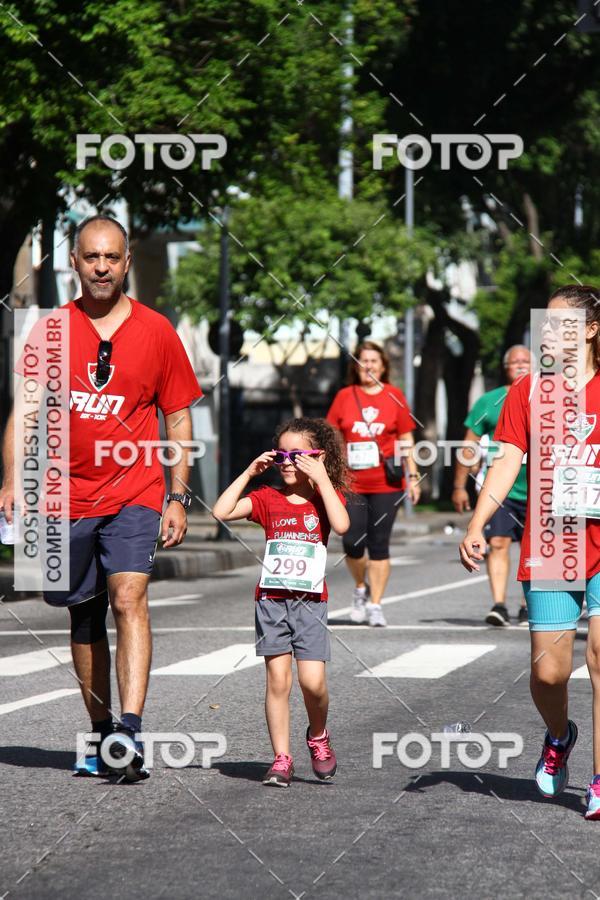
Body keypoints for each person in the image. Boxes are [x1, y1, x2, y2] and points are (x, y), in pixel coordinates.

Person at [0, 215, 202, 781]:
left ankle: (130, 733)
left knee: (129, 598)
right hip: (63, 497)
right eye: (92, 257)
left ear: (127, 260)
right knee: (81, 612)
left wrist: (177, 495)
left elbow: (178, 416)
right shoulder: (50, 331)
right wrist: (13, 479)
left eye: (112, 257)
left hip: (136, 490)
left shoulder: (158, 331)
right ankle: (99, 733)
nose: (102, 267)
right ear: (75, 262)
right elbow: (28, 411)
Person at [459, 284, 600, 820]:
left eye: (560, 322)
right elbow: (507, 460)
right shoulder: (530, 392)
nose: (547, 332)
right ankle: (560, 736)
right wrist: (475, 522)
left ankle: (599, 779)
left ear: (589, 329)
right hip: (552, 541)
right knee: (548, 673)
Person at [212, 417, 349, 788]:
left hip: (310, 604)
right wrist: (248, 472)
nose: (287, 461)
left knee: (313, 683)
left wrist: (321, 478)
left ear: (317, 457)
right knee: (278, 681)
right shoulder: (266, 499)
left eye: (298, 454)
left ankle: (317, 735)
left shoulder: (323, 499)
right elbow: (220, 512)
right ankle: (281, 758)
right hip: (271, 602)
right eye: (282, 454)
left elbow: (342, 526)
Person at [326, 340, 420, 627]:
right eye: (363, 360)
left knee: (379, 544)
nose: (368, 366)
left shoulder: (394, 396)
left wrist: (413, 476)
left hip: (385, 483)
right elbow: (330, 435)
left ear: (383, 366)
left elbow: (405, 439)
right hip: (351, 483)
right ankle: (359, 588)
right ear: (356, 366)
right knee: (352, 540)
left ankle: (376, 604)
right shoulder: (344, 396)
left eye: (373, 361)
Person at [452, 345, 531, 626]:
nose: (521, 365)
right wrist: (460, 486)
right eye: (515, 362)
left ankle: (526, 604)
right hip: (501, 489)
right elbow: (469, 445)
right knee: (497, 542)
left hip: (539, 489)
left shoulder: (545, 396)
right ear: (505, 367)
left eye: (526, 361)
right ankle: (499, 604)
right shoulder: (490, 401)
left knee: (531, 549)